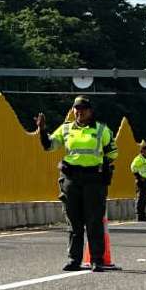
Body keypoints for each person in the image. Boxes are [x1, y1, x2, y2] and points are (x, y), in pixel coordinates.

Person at [36, 96, 118, 272]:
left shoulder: (102, 129)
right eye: (76, 109)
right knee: (74, 222)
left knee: (94, 221)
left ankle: (97, 260)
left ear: (90, 111)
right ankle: (74, 260)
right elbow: (49, 146)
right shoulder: (65, 129)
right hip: (71, 179)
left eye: (83, 109)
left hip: (94, 180)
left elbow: (113, 152)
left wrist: (100, 165)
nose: (79, 112)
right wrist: (42, 130)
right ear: (73, 110)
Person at [130, 142, 146, 221]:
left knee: (145, 198)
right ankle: (139, 216)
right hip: (141, 181)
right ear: (142, 151)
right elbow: (133, 167)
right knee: (140, 198)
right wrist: (139, 177)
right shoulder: (139, 158)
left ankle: (143, 215)